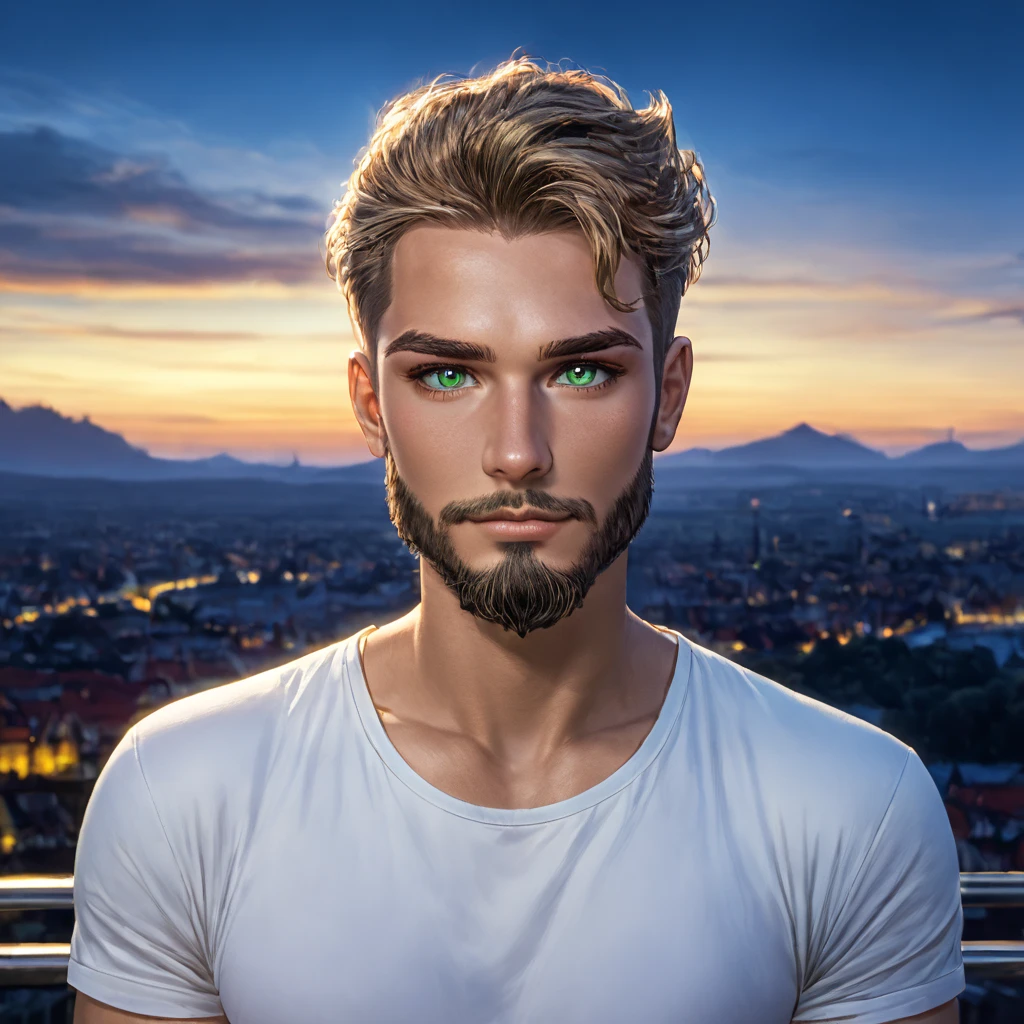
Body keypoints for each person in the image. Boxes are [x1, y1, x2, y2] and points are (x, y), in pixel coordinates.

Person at [69, 55, 964, 1024]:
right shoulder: (182, 794)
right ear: (371, 403)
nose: (516, 452)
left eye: (580, 373)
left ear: (668, 394)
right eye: (447, 375)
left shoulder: (850, 809)